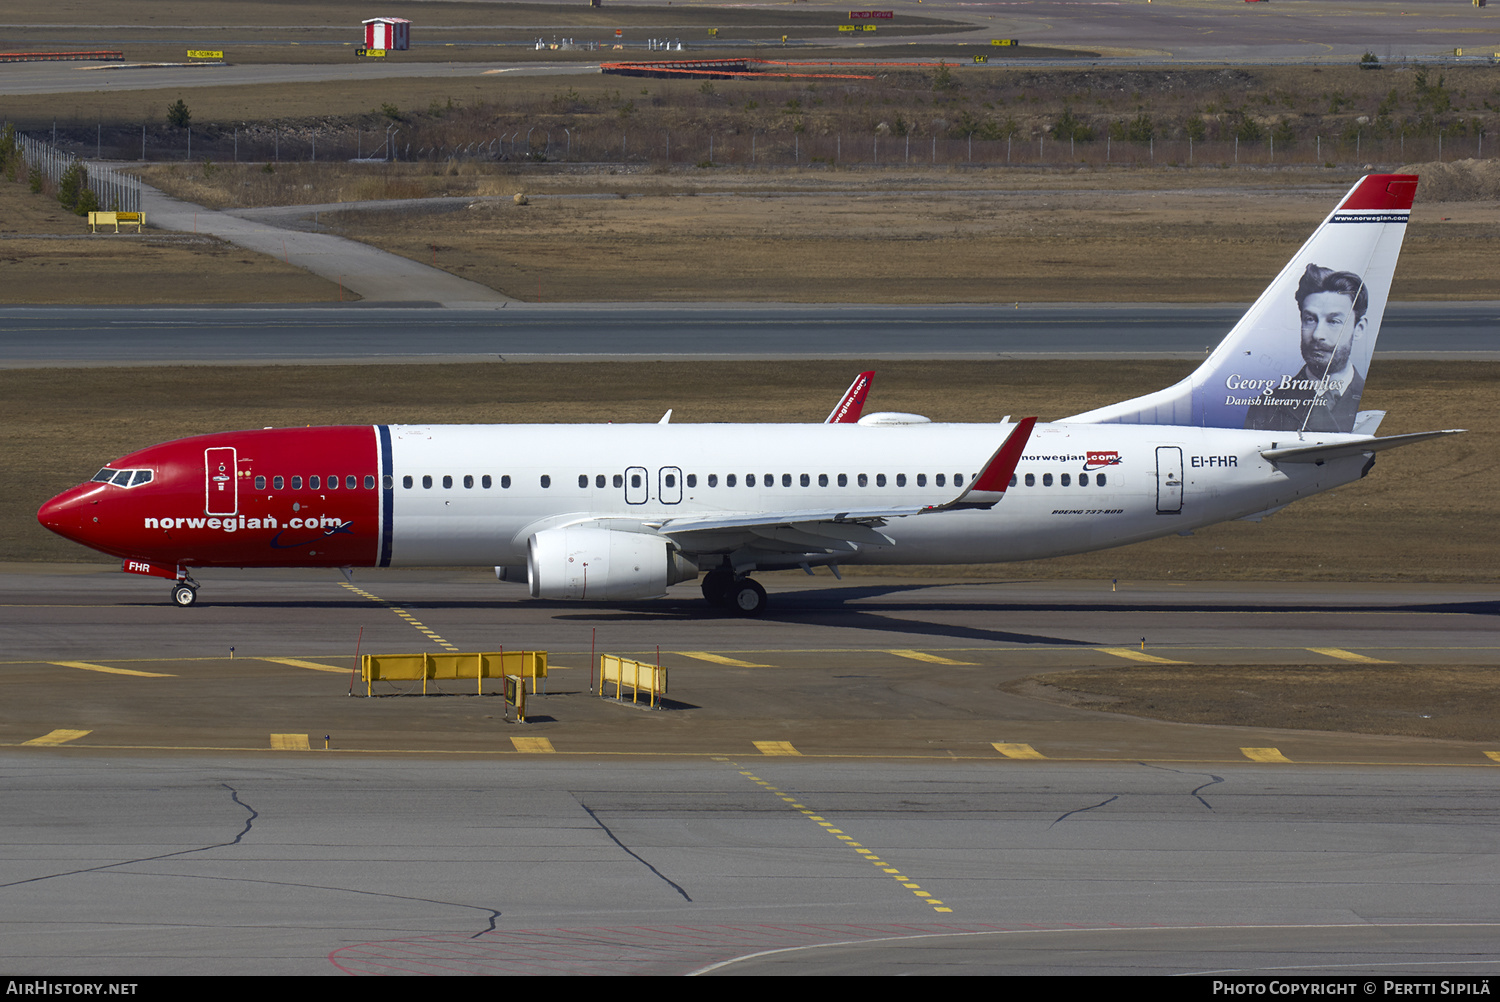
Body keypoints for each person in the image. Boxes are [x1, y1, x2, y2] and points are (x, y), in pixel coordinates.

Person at [1244, 264, 1368, 432]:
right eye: (1310, 319)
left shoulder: (1369, 397)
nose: (1317, 334)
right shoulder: (1265, 407)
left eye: (1333, 321)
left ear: (1358, 329)